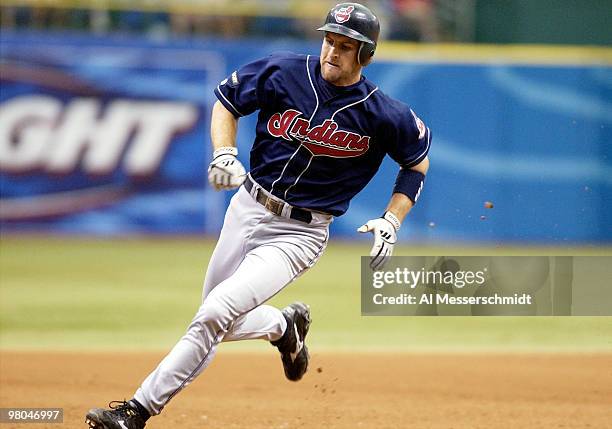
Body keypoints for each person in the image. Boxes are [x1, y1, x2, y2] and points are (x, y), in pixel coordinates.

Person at [84, 3, 430, 428]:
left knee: (214, 314)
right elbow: (226, 102)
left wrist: (392, 219)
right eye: (329, 40)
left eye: (346, 46)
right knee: (214, 318)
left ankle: (135, 412)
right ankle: (282, 327)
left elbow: (416, 162)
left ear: (366, 55)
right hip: (247, 207)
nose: (332, 52)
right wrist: (224, 152)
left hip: (299, 233)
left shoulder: (384, 113)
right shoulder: (283, 72)